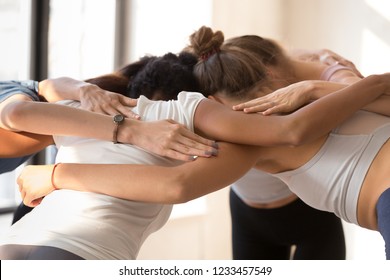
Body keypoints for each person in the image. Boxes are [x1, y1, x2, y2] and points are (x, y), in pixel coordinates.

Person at [7, 40, 390, 262]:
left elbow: (19, 108)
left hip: (19, 245)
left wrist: (57, 169)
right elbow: (289, 130)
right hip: (76, 252)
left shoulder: (91, 107)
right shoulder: (188, 114)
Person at [0, 60, 217, 223]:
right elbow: (18, 111)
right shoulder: (24, 100)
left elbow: (45, 87)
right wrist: (133, 131)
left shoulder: (51, 104)